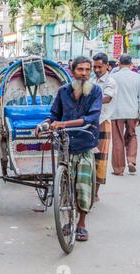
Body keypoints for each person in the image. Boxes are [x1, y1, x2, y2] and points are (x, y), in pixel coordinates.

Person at [35, 56, 102, 241]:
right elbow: (54, 115)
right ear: (72, 71)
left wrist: (64, 124)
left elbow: (92, 118)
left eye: (88, 70)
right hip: (65, 145)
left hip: (85, 143)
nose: (84, 74)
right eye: (80, 69)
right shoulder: (63, 91)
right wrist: (44, 125)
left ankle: (81, 224)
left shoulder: (95, 91)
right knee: (66, 185)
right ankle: (67, 219)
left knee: (83, 186)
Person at [92, 53, 117, 201]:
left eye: (99, 66)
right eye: (94, 66)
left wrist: (90, 100)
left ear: (107, 66)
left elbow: (107, 98)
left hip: (103, 122)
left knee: (100, 159)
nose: (96, 69)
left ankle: (95, 192)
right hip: (90, 122)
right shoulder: (92, 80)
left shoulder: (110, 81)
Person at [109, 54, 140, 176]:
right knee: (132, 135)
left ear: (119, 63)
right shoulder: (137, 77)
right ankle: (131, 161)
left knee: (118, 139)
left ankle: (118, 168)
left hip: (117, 112)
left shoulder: (113, 77)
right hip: (132, 111)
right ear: (131, 63)